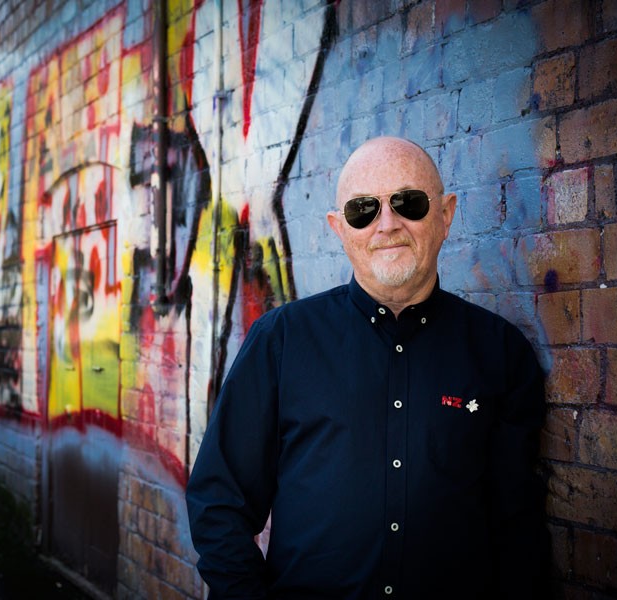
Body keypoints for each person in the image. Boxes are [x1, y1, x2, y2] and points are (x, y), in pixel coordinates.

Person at [185, 136, 548, 599]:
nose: (387, 224)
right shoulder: (281, 341)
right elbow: (219, 504)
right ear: (340, 228)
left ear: (446, 215)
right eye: (364, 210)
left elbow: (518, 532)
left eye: (409, 203)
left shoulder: (500, 353)